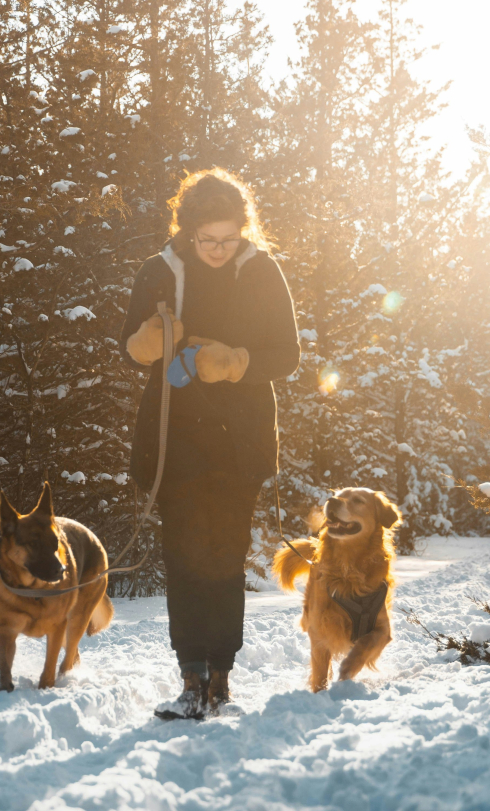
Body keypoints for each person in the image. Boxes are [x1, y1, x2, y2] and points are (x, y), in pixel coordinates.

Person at [119, 168, 301, 719]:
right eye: (208, 240)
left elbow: (287, 355)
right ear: (188, 230)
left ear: (243, 231)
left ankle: (220, 676)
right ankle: (190, 677)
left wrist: (235, 362)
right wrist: (149, 342)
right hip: (174, 437)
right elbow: (127, 347)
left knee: (223, 554)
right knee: (182, 557)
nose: (219, 250)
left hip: (238, 439)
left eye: (229, 239)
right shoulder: (158, 271)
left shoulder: (263, 271)